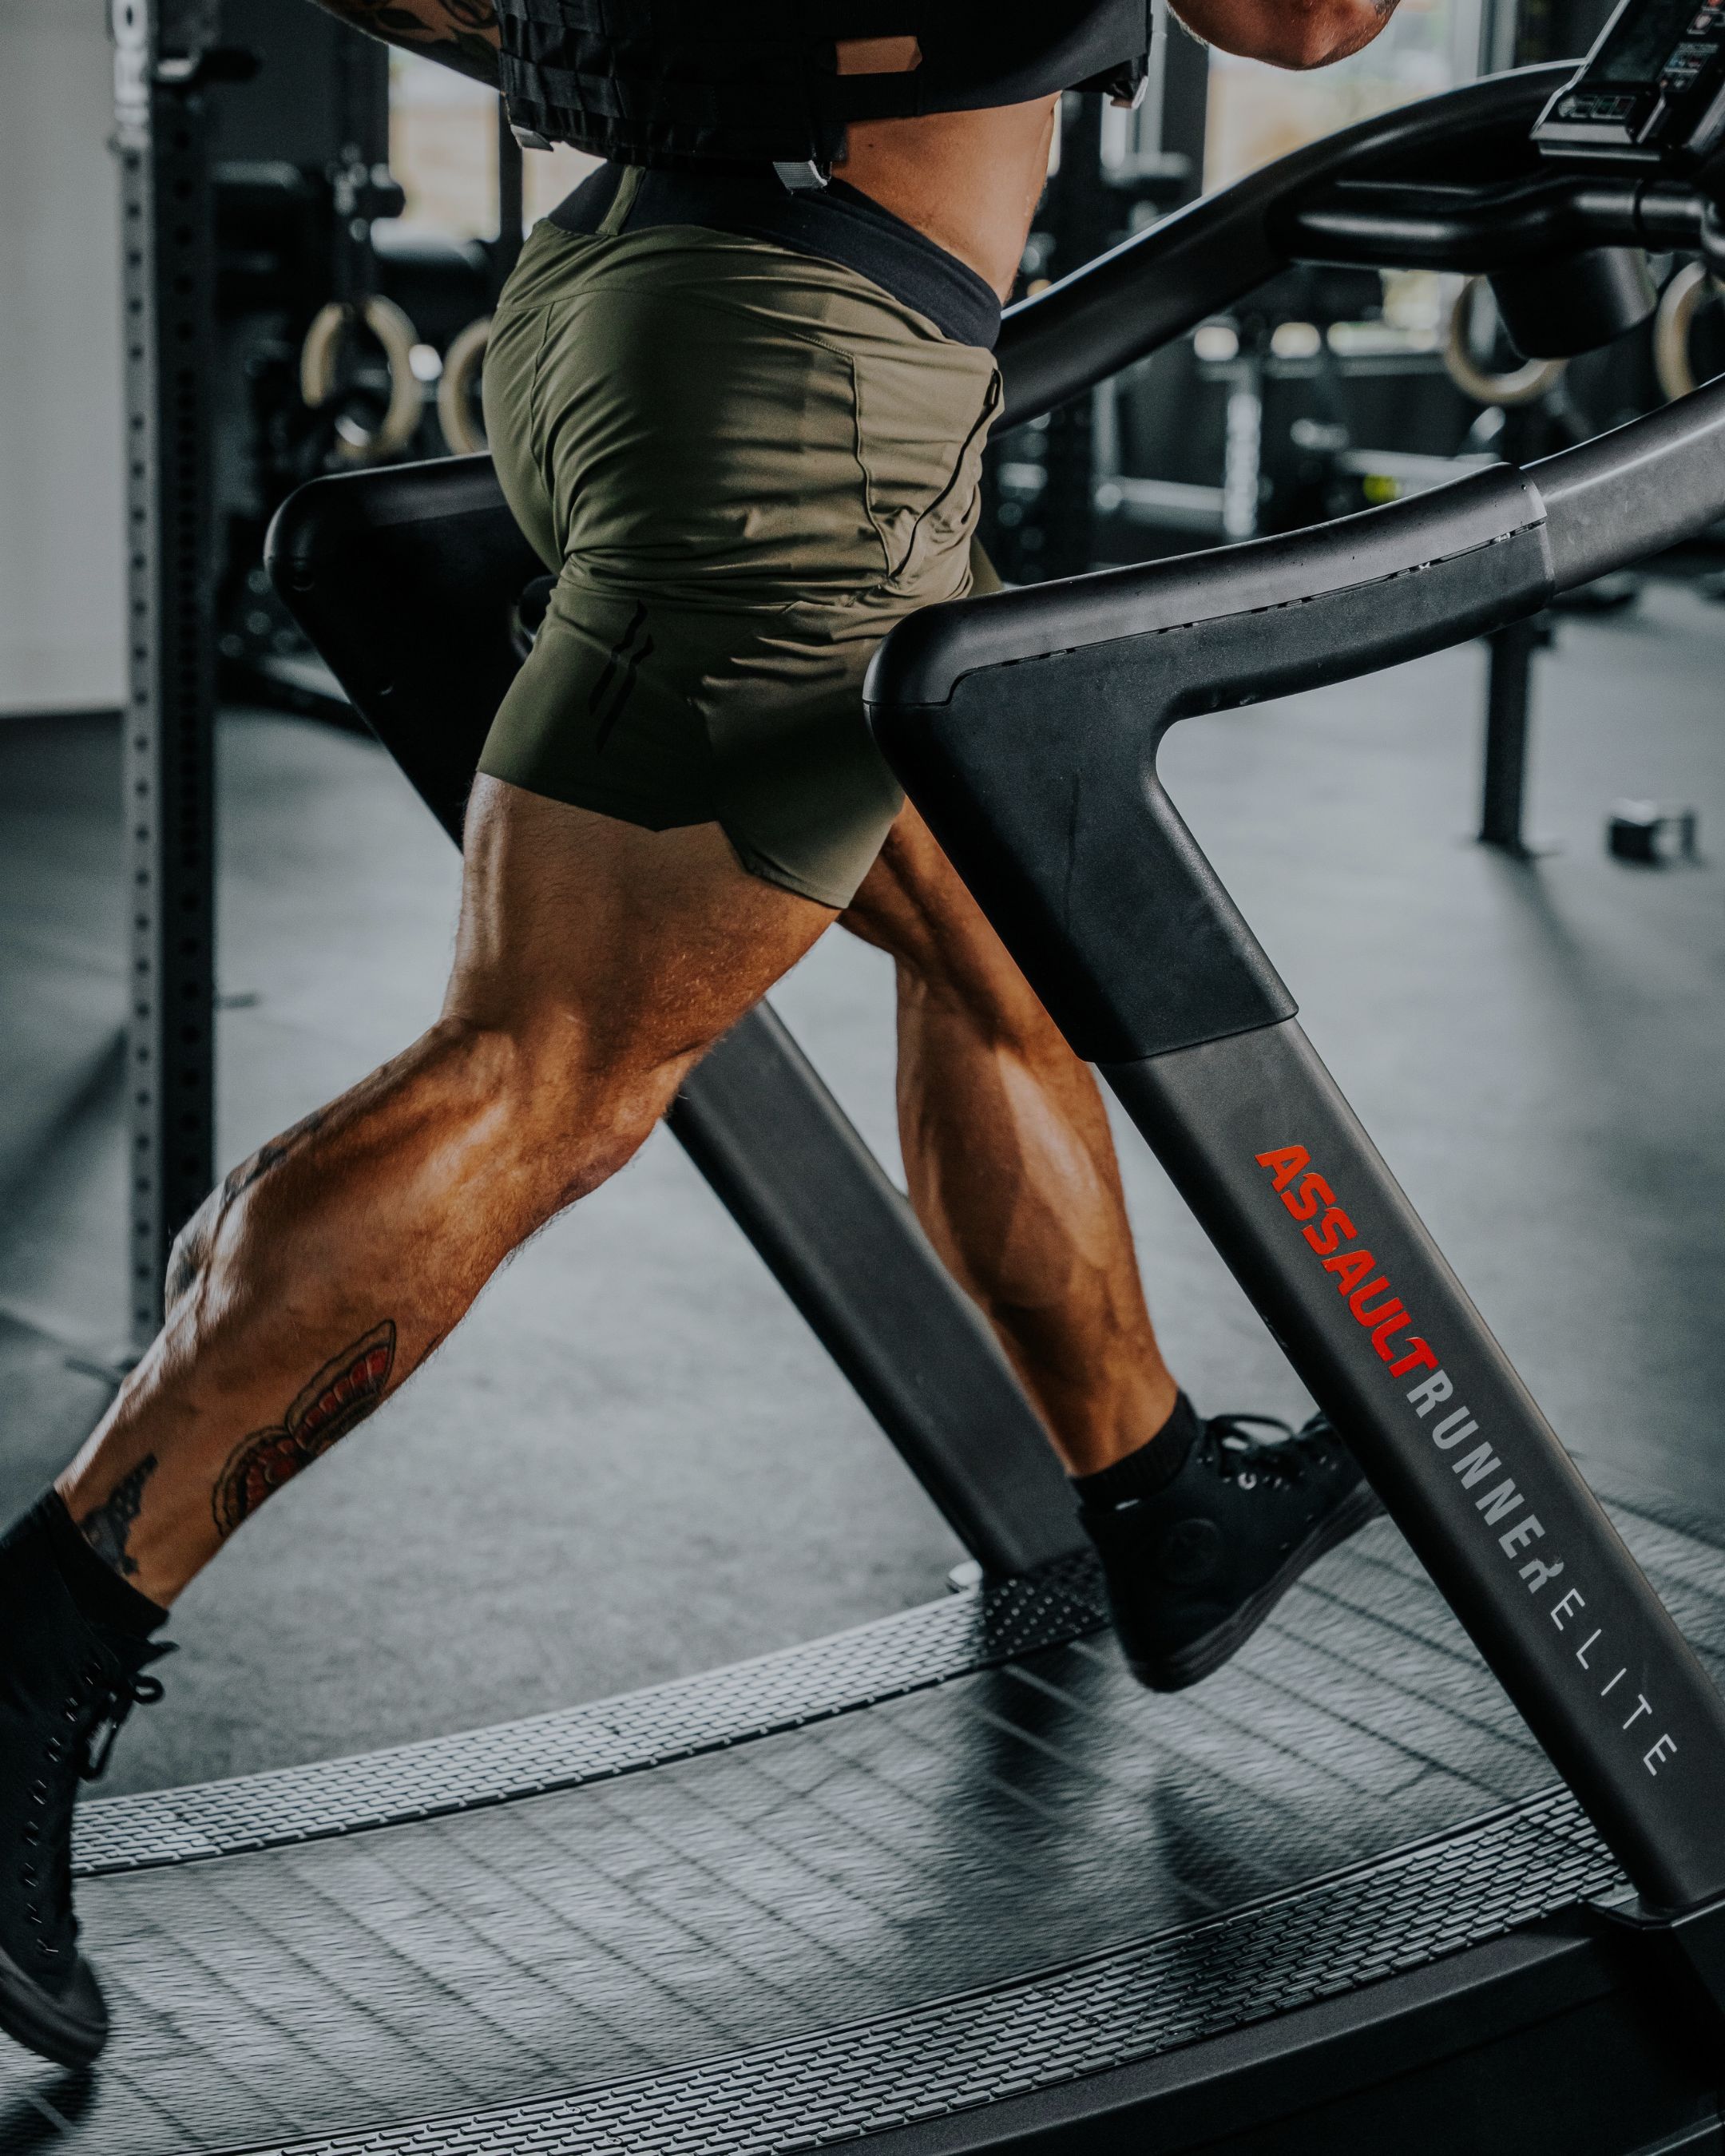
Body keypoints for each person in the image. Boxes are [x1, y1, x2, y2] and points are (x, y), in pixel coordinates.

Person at [0, 0, 1401, 2071]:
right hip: (810, 390)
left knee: (996, 950)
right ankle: (40, 1643)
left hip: (640, 297)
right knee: (544, 1074)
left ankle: (1163, 1498)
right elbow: (1309, 17)